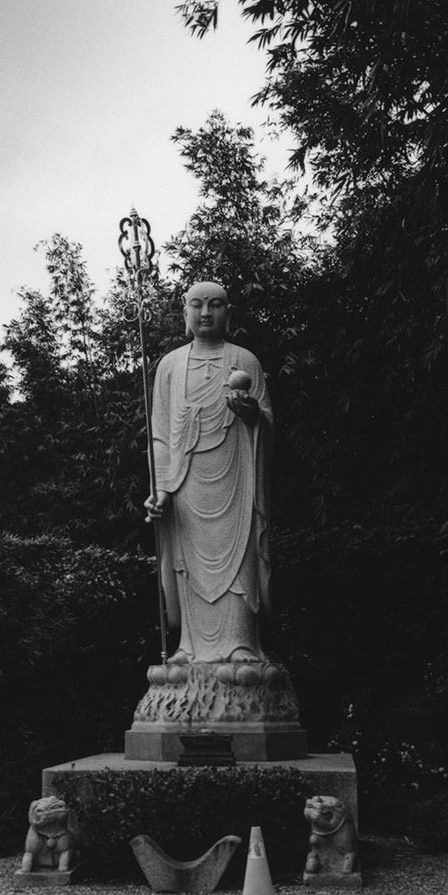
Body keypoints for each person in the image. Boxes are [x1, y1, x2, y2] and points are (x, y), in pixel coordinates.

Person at [143, 281, 272, 664]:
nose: (205, 314)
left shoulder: (245, 362)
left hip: (235, 479)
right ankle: (190, 646)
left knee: (239, 558)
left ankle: (240, 644)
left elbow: (266, 423)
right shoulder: (169, 366)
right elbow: (160, 435)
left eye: (215, 306)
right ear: (185, 315)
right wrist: (161, 488)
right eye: (196, 306)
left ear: (227, 314)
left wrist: (252, 417)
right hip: (185, 483)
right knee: (186, 562)